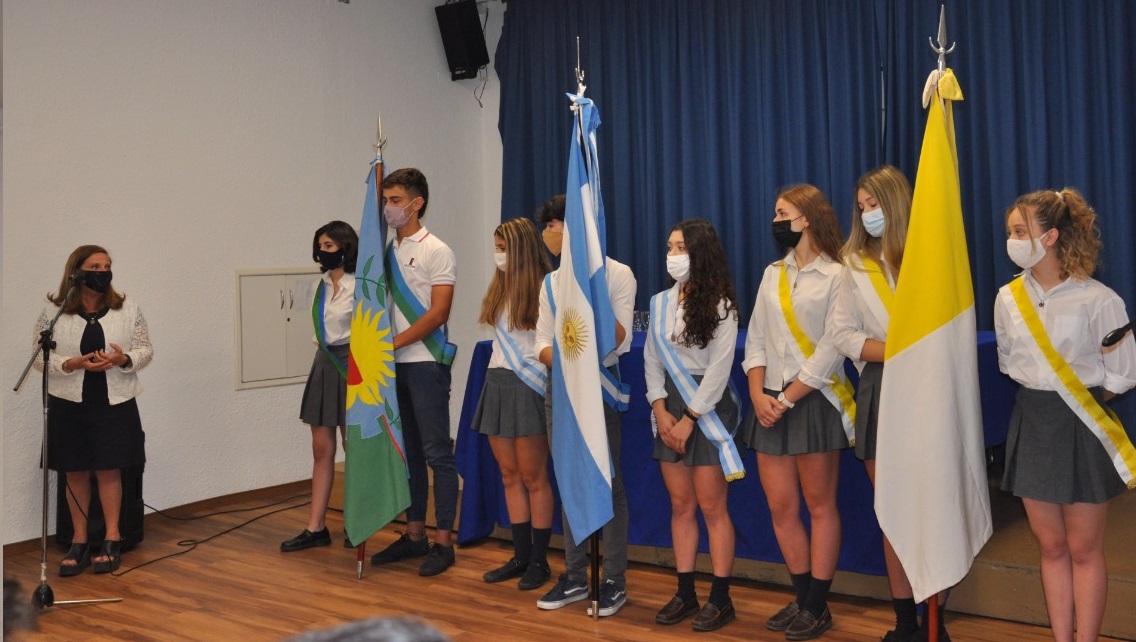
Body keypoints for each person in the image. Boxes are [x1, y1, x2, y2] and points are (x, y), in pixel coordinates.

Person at [994, 188, 1136, 642]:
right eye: (1011, 232)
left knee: (1084, 548)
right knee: (1051, 547)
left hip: (1082, 425)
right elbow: (1007, 361)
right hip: (1031, 422)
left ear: (1051, 236)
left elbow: (1121, 374)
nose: (1013, 241)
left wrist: (1076, 406)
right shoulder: (1006, 298)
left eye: (1021, 232)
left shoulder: (1099, 299)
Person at [832, 165, 953, 642]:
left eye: (874, 205)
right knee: (893, 512)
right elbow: (843, 334)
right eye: (861, 207)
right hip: (882, 385)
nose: (867, 215)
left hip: (929, 385)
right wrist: (896, 351)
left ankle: (934, 619)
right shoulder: (852, 263)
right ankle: (905, 621)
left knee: (931, 509)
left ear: (896, 203)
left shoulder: (930, 254)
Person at [742, 185, 853, 640]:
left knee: (820, 505)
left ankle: (817, 605)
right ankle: (802, 596)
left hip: (812, 401)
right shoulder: (773, 273)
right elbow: (755, 339)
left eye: (782, 212)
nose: (776, 220)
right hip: (767, 402)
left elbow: (833, 347)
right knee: (782, 507)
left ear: (806, 218)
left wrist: (787, 397)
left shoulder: (838, 275)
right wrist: (757, 394)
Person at [533, 194, 636, 617]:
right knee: (568, 477)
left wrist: (591, 291)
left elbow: (619, 340)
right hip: (562, 390)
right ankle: (575, 575)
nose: (551, 232)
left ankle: (613, 578)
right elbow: (539, 343)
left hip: (599, 391)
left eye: (558, 224)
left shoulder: (616, 274)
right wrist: (567, 363)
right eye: (549, 225)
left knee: (606, 480)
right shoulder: (550, 282)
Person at [644, 219, 742, 633]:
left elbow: (719, 372)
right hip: (670, 408)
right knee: (681, 506)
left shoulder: (721, 305)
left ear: (699, 252)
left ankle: (721, 598)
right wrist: (660, 409)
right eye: (669, 247)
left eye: (680, 247)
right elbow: (651, 359)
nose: (672, 255)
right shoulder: (659, 302)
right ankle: (686, 591)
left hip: (707, 408)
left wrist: (689, 419)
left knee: (711, 507)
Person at [34, 245, 153, 576]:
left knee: (109, 469)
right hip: (70, 401)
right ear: (77, 272)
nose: (103, 271)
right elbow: (39, 357)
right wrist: (72, 363)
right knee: (75, 470)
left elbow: (145, 350)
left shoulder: (126, 308)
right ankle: (79, 541)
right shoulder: (54, 311)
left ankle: (113, 539)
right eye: (95, 266)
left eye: (107, 266)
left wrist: (122, 359)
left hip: (114, 399)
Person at [369, 168, 459, 577]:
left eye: (394, 200)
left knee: (438, 454)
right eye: (385, 200)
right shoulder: (383, 250)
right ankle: (415, 533)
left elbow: (439, 312)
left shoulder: (435, 249)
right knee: (409, 456)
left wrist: (395, 344)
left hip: (425, 362)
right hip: (392, 368)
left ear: (416, 203)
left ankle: (443, 542)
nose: (388, 208)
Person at [473, 217, 554, 591]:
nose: (498, 255)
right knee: (509, 475)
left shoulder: (543, 287)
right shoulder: (499, 288)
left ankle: (539, 560)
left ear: (521, 248)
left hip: (528, 385)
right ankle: (519, 555)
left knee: (533, 477)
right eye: (496, 247)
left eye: (503, 248)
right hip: (498, 380)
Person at [281, 221, 359, 552]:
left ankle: (357, 524)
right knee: (322, 450)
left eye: (329, 246)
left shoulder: (362, 286)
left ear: (346, 248)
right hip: (324, 364)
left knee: (352, 449)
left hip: (353, 365)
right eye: (320, 246)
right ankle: (316, 527)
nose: (322, 252)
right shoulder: (319, 286)